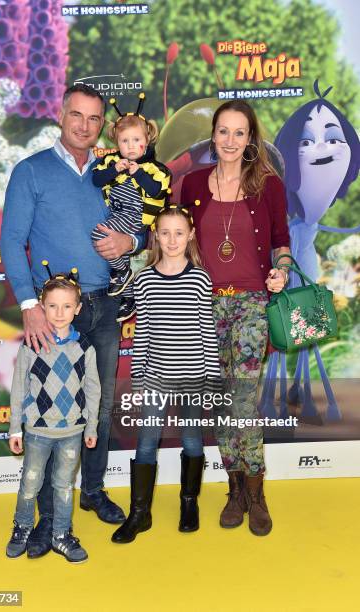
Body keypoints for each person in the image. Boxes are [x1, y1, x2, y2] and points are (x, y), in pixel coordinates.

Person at [0, 84, 147, 558]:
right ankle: (45, 520)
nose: (85, 126)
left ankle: (93, 491)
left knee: (97, 406)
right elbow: (10, 242)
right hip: (55, 315)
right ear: (60, 115)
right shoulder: (31, 171)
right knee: (47, 413)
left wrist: (131, 245)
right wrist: (29, 306)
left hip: (104, 305)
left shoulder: (115, 174)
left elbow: (143, 226)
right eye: (76, 116)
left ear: (103, 124)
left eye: (94, 119)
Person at [181, 99, 291, 536]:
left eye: (239, 132)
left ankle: (256, 490)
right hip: (203, 305)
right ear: (214, 134)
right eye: (223, 131)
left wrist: (280, 269)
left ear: (251, 138)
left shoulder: (269, 185)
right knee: (221, 402)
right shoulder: (190, 184)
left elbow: (281, 241)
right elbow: (179, 244)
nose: (229, 140)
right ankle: (234, 488)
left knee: (241, 400)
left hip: (249, 305)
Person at [111, 206, 221, 544]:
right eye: (165, 233)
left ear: (189, 236)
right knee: (146, 442)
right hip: (156, 376)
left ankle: (189, 502)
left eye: (178, 233)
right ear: (155, 236)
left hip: (193, 376)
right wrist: (140, 379)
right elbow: (142, 331)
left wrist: (212, 379)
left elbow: (206, 331)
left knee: (191, 439)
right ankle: (139, 513)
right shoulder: (144, 279)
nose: (172, 240)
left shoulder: (199, 278)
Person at [6, 272, 100, 564]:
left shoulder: (85, 348)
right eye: (52, 306)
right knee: (31, 482)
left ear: (78, 309)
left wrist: (91, 426)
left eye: (67, 306)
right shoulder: (31, 346)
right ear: (42, 307)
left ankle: (61, 534)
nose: (60, 313)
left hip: (72, 431)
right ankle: (22, 527)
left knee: (63, 485)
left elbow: (93, 390)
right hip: (37, 431)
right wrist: (15, 430)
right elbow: (19, 388)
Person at [92, 93, 171, 322]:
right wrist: (114, 170)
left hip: (137, 218)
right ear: (117, 143)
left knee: (100, 234)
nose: (131, 146)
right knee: (111, 247)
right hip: (118, 215)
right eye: (125, 141)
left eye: (136, 140)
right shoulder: (111, 163)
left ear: (146, 140)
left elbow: (157, 191)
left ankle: (123, 272)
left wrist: (140, 173)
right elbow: (97, 181)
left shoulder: (156, 169)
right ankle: (129, 297)